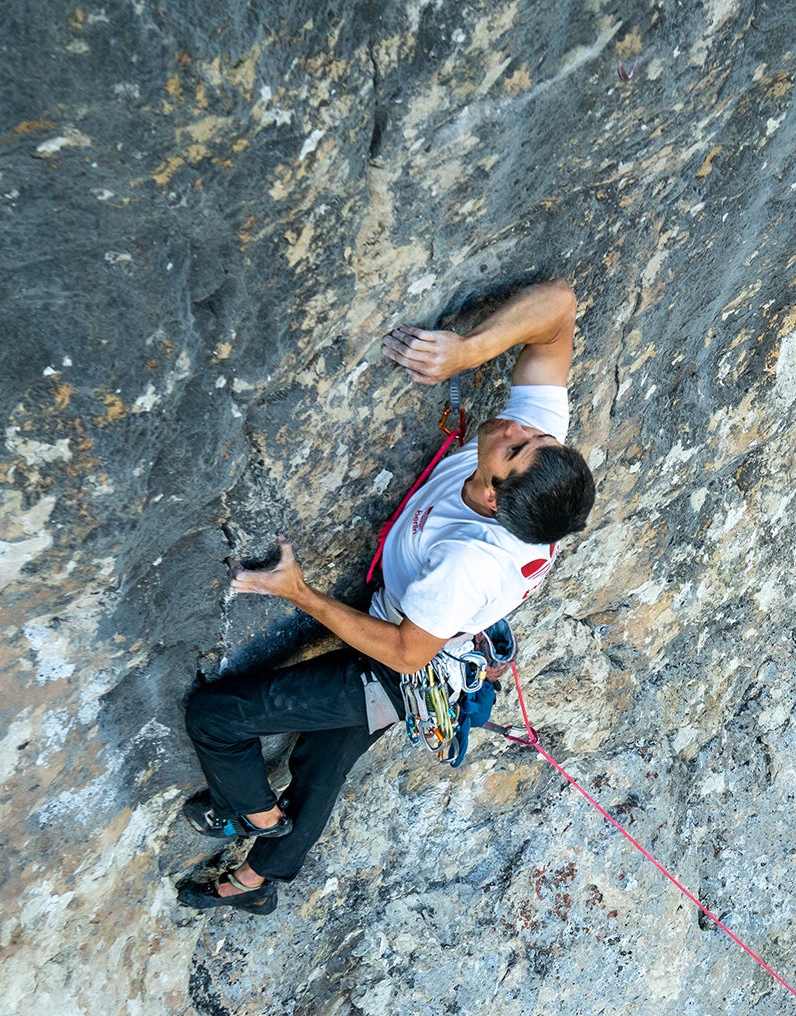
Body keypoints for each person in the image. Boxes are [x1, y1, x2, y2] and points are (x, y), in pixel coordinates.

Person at [176, 278, 594, 915]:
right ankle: (258, 883)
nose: (515, 428)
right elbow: (560, 308)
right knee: (321, 765)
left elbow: (402, 654)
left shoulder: (470, 562)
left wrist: (301, 594)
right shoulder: (535, 470)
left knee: (217, 716)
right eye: (535, 438)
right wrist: (469, 351)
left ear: (491, 500)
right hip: (422, 647)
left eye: (513, 447)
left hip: (399, 666)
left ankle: (250, 816)